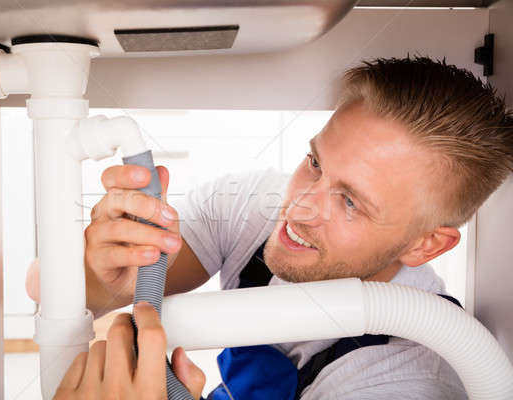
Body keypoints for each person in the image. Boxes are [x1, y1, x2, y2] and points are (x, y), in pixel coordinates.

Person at [27, 56, 513, 399]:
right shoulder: (249, 208)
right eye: (315, 163)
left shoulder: (404, 380)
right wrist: (96, 272)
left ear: (426, 245)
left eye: (349, 201)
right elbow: (38, 284)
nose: (298, 206)